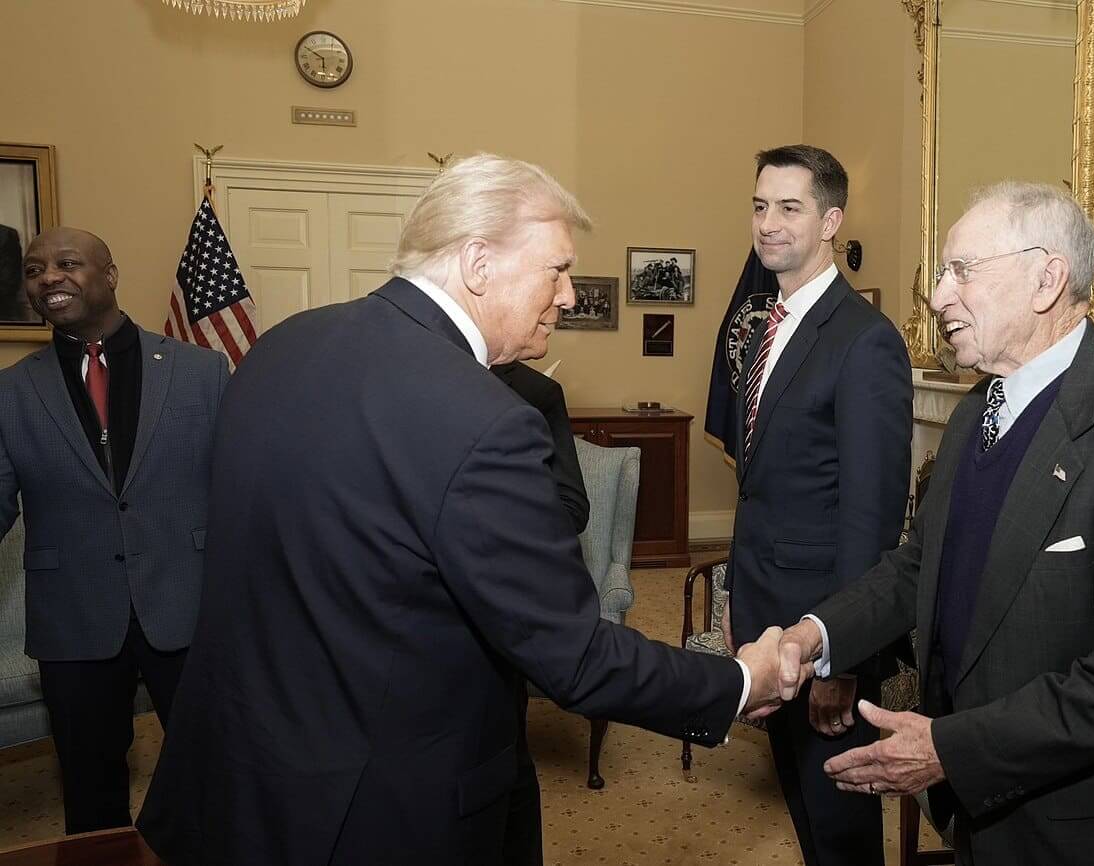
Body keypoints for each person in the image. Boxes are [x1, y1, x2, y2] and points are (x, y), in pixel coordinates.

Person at [137, 153, 785, 866]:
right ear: (478, 262)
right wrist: (739, 682)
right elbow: (573, 656)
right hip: (376, 809)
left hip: (237, 774)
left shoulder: (282, 345)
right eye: (557, 269)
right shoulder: (488, 419)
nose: (570, 296)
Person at [776, 181, 1094, 866]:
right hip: (981, 812)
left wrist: (949, 748)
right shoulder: (975, 412)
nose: (937, 295)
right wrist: (819, 634)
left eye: (962, 270)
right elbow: (919, 565)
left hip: (1086, 824)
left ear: (1048, 279)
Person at [721, 144, 913, 866]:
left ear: (831, 220)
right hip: (770, 614)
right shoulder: (770, 324)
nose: (768, 223)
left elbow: (871, 517)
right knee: (806, 815)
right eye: (760, 205)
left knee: (839, 830)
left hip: (823, 628)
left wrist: (843, 659)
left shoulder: (864, 341)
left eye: (790, 208)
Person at [0, 227, 228, 833]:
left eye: (67, 263)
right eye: (33, 270)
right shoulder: (11, 392)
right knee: (90, 787)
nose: (49, 277)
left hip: (188, 604)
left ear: (109, 273)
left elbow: (242, 490)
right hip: (74, 616)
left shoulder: (202, 371)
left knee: (215, 777)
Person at [489, 359, 589, 866]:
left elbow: (574, 506)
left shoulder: (537, 392)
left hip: (501, 617)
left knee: (506, 782)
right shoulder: (394, 367)